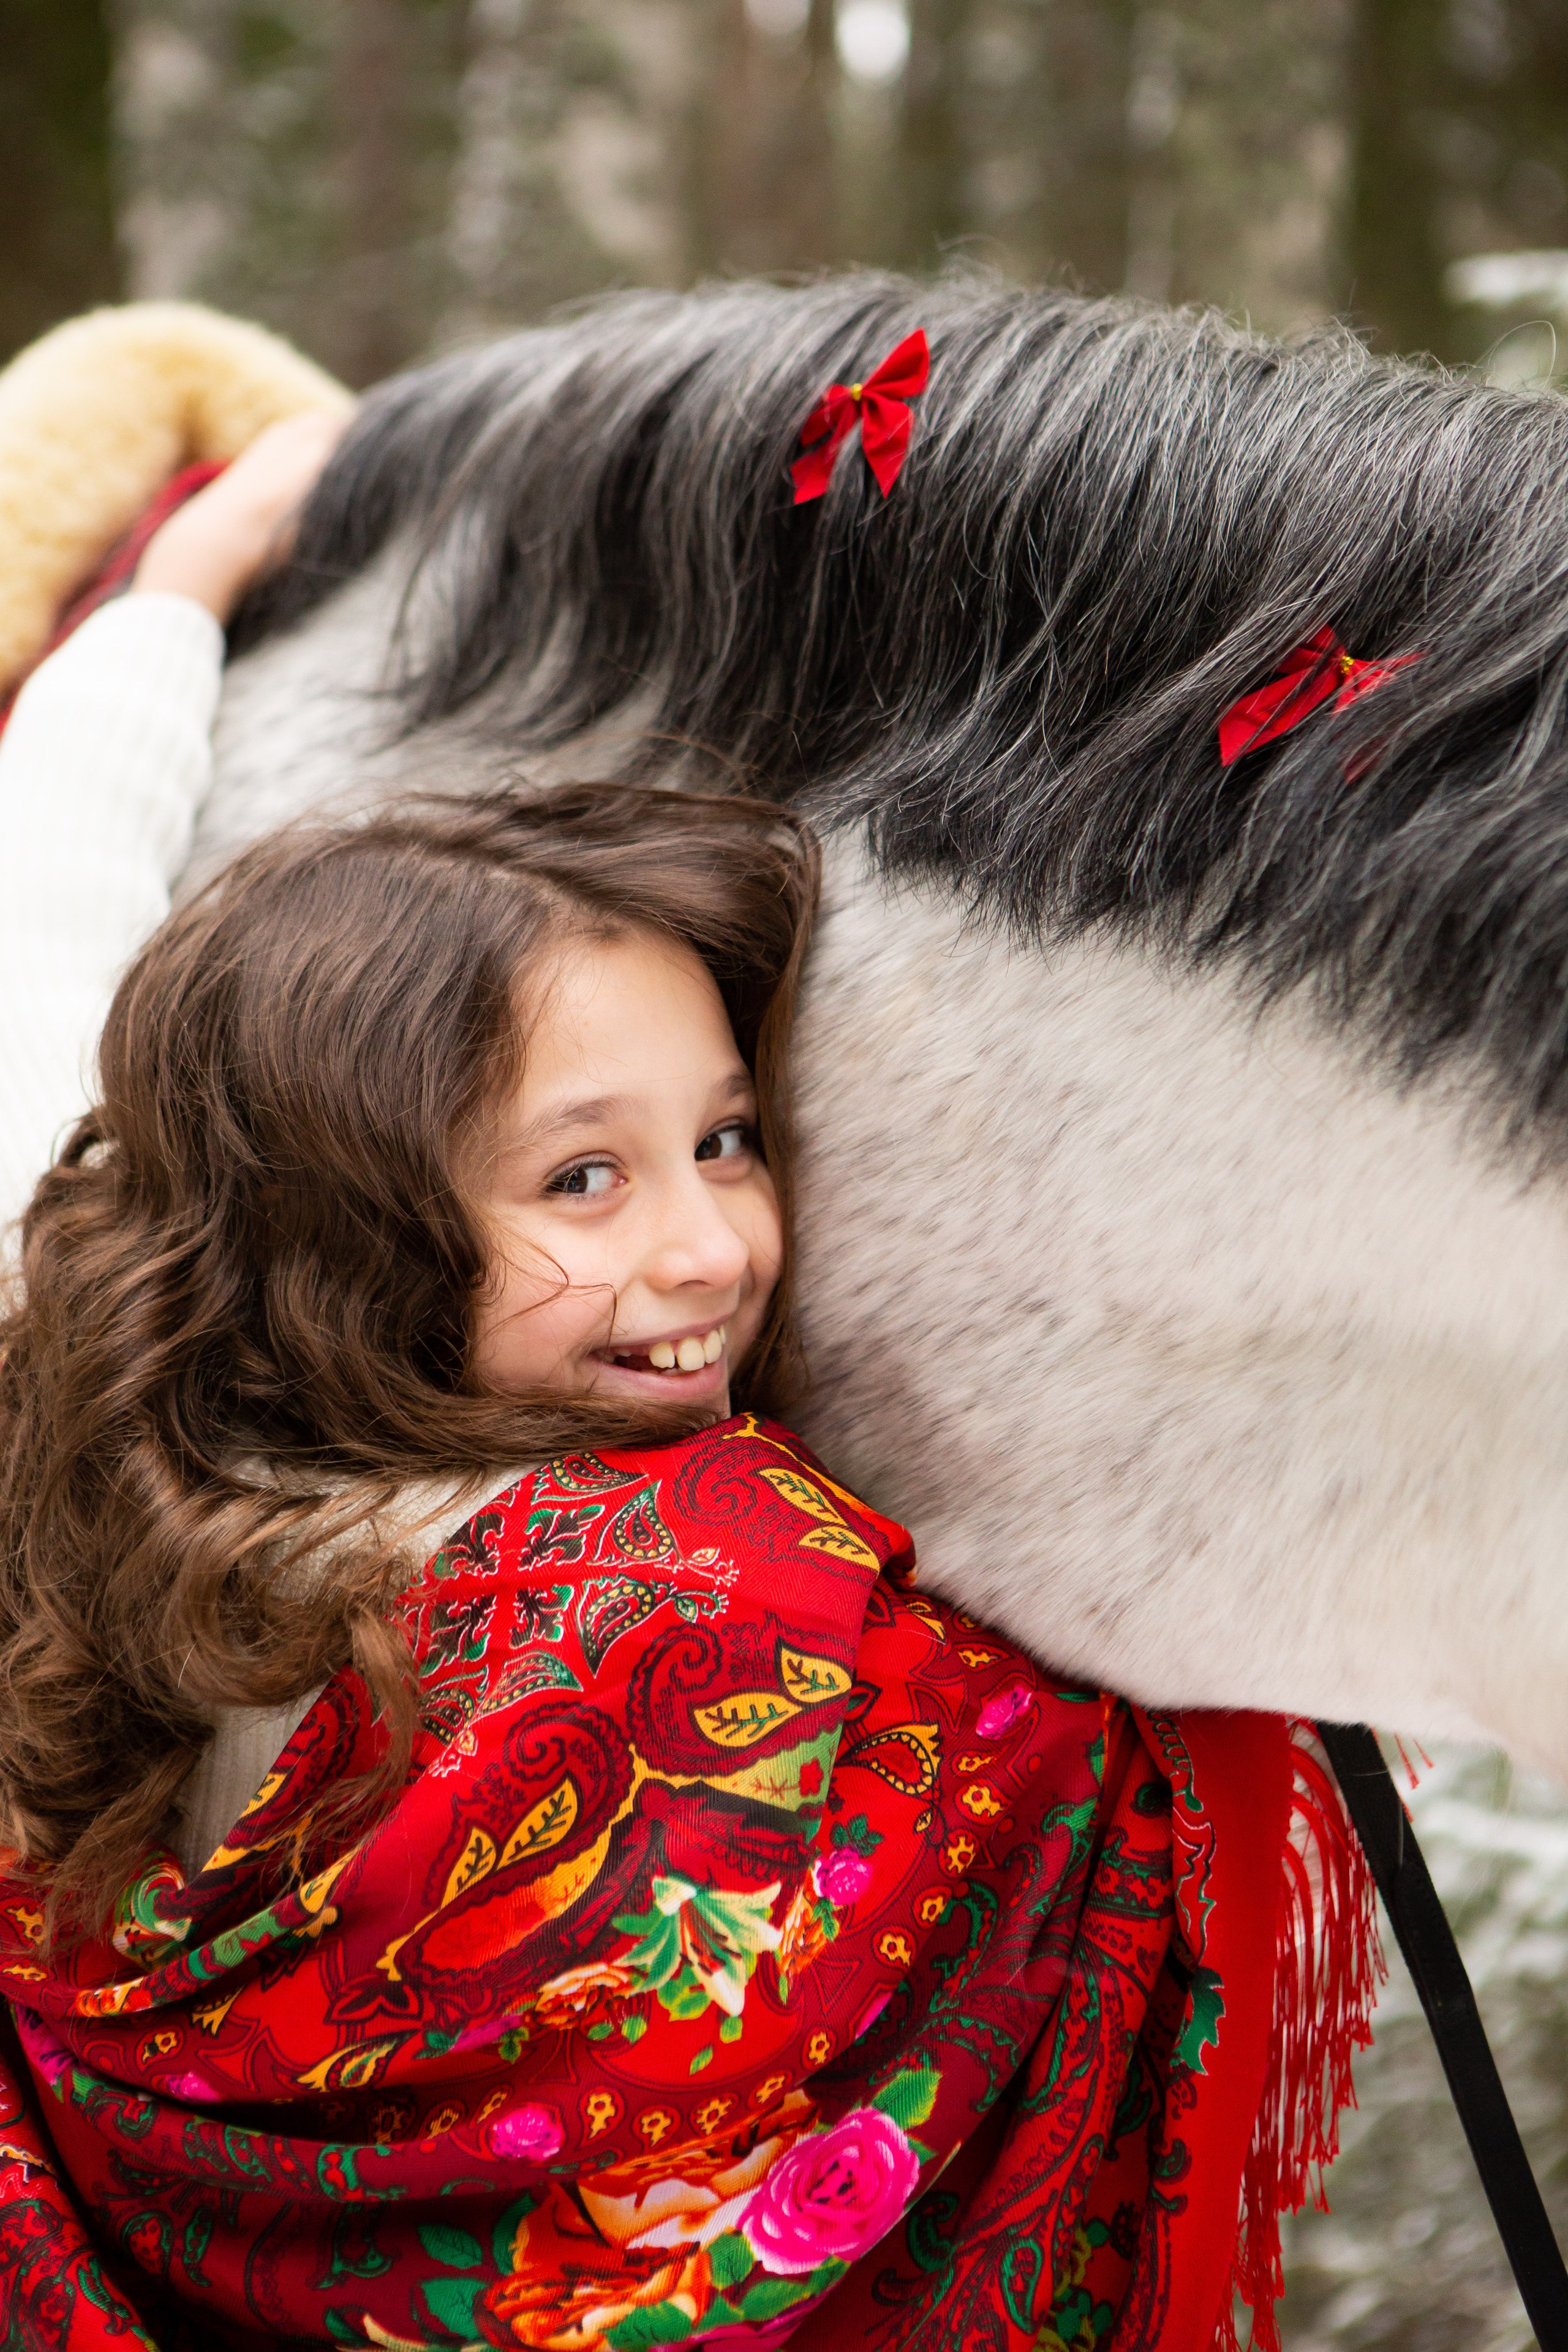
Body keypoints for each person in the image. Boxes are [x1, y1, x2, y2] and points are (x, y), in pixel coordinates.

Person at [0, 426, 1367, 2352]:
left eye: (725, 1139)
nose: (711, 1250)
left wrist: (171, 598)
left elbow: (42, 933)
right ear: (338, 1228)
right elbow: (1069, 1764)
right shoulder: (692, 1595)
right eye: (584, 1178)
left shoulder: (81, 1420)